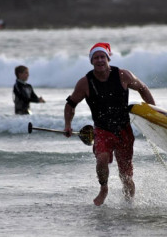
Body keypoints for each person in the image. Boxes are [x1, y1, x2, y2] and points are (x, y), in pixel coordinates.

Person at [64, 42, 155, 206]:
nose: (99, 60)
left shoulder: (123, 75)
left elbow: (143, 88)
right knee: (102, 159)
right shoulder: (85, 83)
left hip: (124, 130)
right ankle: (104, 187)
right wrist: (67, 125)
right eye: (95, 58)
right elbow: (71, 104)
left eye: (102, 57)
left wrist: (154, 112)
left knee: (126, 176)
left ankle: (129, 204)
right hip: (102, 130)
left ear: (108, 58)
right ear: (91, 61)